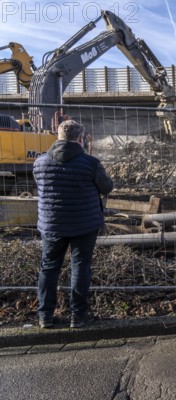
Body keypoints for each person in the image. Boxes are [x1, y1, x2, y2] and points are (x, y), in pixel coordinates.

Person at [34, 120, 114, 329]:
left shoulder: (40, 162)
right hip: (84, 225)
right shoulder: (90, 163)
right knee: (80, 267)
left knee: (49, 268)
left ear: (57, 136)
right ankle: (78, 316)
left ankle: (45, 316)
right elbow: (107, 187)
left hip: (52, 225)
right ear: (80, 138)